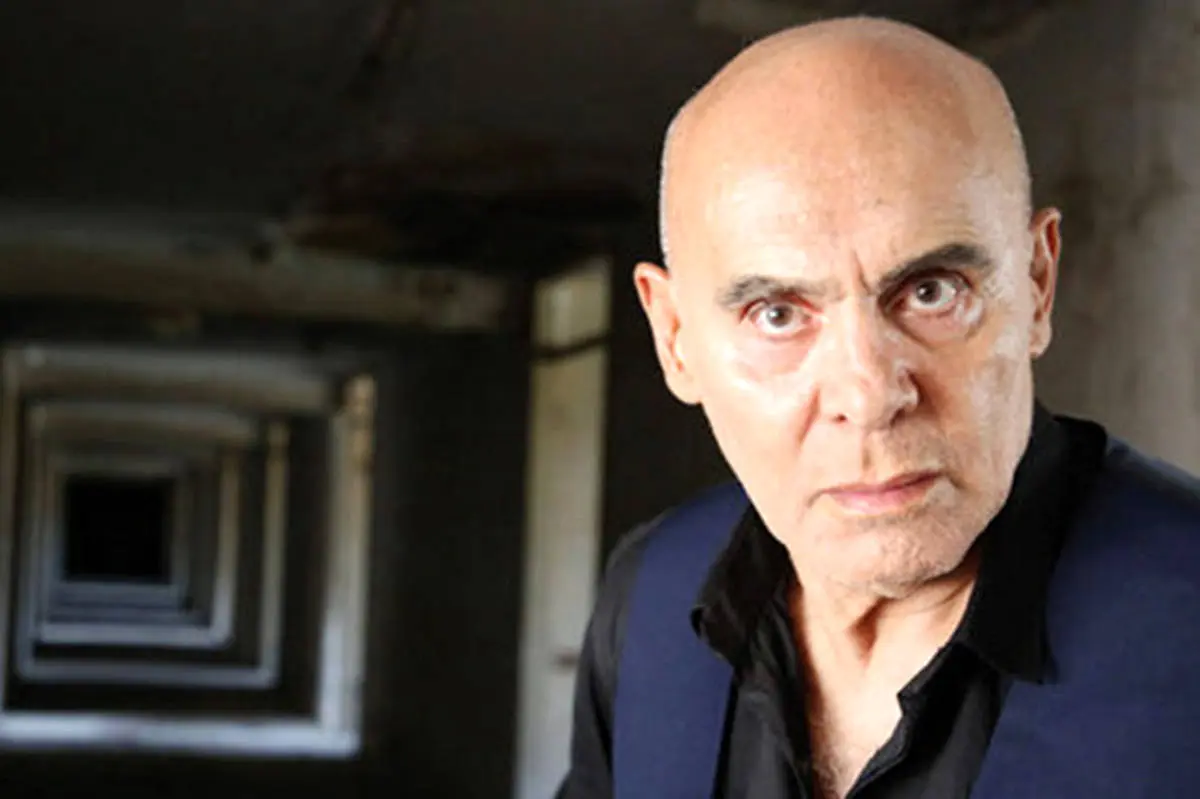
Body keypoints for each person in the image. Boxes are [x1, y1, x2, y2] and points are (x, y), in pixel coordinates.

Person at [559, 14, 1200, 799]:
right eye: (777, 314)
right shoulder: (649, 596)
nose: (868, 397)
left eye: (931, 292)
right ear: (675, 337)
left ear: (1036, 285)